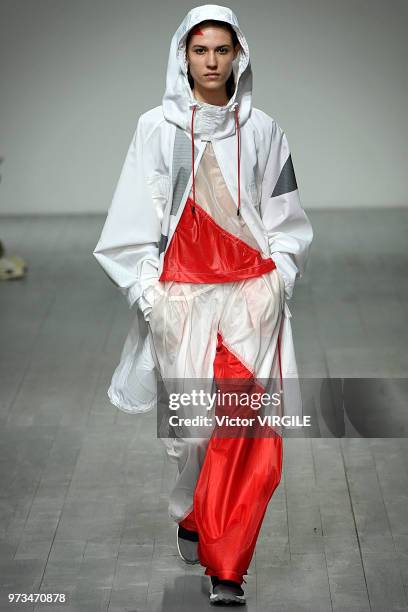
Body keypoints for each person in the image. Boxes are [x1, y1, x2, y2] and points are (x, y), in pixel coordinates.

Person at [93, 4, 313, 606]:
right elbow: (132, 219)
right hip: (182, 301)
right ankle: (193, 509)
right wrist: (149, 294)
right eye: (200, 50)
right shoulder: (155, 129)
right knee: (194, 434)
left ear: (238, 54)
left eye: (222, 50)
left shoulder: (265, 130)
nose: (212, 62)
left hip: (249, 298)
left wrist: (280, 278)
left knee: (244, 432)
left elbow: (286, 218)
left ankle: (228, 567)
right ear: (182, 56)